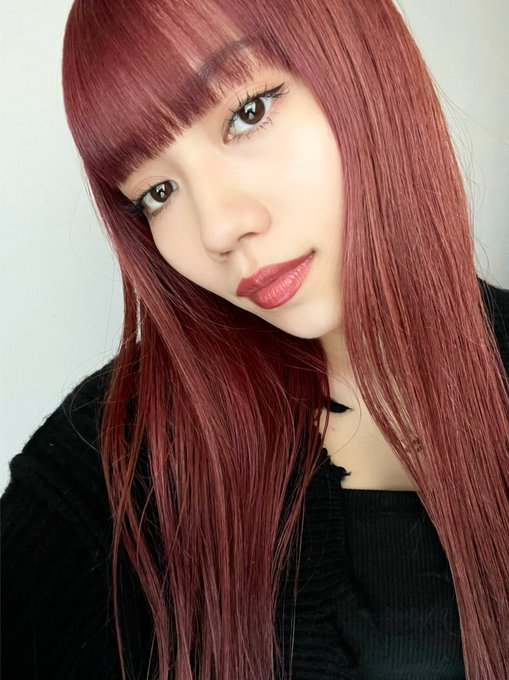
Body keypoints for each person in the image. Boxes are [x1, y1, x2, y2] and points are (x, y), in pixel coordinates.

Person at [2, 0, 509, 678]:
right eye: (157, 191)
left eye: (248, 113)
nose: (217, 228)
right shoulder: (107, 464)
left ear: (363, 65)